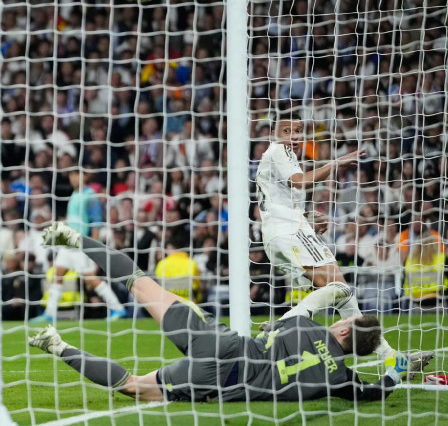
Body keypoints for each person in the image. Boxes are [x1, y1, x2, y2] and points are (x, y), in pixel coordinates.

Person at [30, 222, 422, 402]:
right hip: (223, 382)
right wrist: (397, 370)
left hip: (221, 343)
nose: (340, 319)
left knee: (138, 282)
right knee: (133, 387)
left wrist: (334, 291)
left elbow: (297, 312)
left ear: (344, 330)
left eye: (345, 320)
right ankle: (56, 345)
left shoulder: (305, 325)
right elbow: (374, 392)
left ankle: (74, 238)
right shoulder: (339, 379)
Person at [254, 111, 433, 369]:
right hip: (288, 232)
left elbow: (280, 199)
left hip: (281, 232)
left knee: (344, 297)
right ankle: (283, 326)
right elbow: (301, 182)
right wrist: (335, 163)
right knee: (340, 288)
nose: (294, 136)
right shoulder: (278, 151)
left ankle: (395, 360)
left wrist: (308, 217)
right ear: (274, 134)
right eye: (287, 131)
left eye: (298, 131)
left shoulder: (284, 158)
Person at [32, 168, 126, 323]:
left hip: (80, 244)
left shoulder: (90, 196)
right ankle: (49, 313)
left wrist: (94, 247)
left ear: (85, 176)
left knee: (90, 278)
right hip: (68, 243)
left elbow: (96, 222)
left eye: (77, 175)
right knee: (58, 274)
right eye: (72, 175)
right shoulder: (75, 194)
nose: (74, 178)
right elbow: (75, 219)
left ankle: (117, 308)